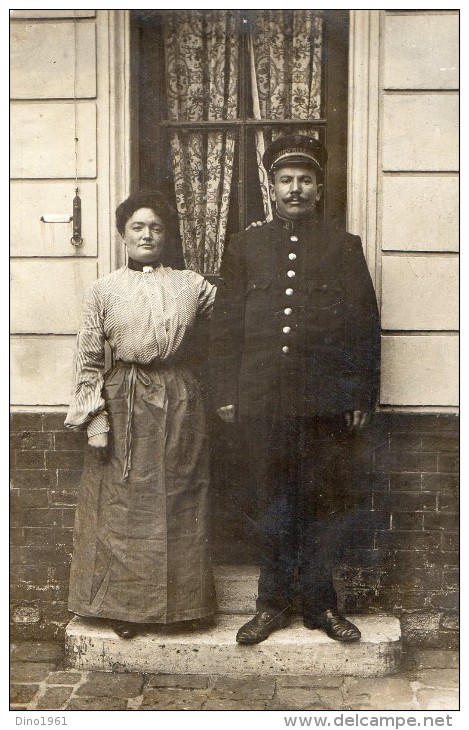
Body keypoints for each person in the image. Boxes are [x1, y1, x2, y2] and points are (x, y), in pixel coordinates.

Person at [210, 135, 380, 645]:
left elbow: (363, 325)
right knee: (270, 503)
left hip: (324, 402)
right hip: (262, 400)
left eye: (305, 180)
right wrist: (225, 389)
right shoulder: (245, 245)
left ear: (319, 188)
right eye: (286, 180)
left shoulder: (342, 247)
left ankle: (321, 606)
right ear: (272, 186)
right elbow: (225, 324)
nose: (296, 189)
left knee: (322, 502)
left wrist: (358, 394)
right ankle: (271, 605)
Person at [65, 190, 216, 639]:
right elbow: (89, 357)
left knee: (180, 496)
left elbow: (231, 325)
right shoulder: (104, 290)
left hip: (180, 398)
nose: (147, 234)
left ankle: (185, 607)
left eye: (155, 227)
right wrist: (95, 419)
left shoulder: (192, 285)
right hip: (124, 397)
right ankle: (124, 608)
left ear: (166, 235)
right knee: (124, 504)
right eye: (137, 227)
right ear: (122, 235)